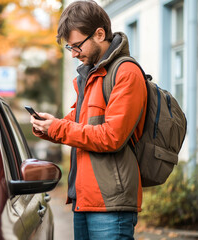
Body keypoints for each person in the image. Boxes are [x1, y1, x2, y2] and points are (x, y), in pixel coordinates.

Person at [30, 1, 148, 239]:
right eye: (69, 48)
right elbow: (76, 123)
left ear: (100, 34)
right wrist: (48, 127)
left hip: (110, 205)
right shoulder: (91, 76)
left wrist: (59, 128)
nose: (74, 54)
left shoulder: (126, 73)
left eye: (76, 46)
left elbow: (112, 137)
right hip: (83, 200)